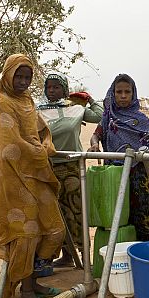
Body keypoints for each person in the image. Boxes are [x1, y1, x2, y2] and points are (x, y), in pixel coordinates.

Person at [0, 54, 65, 298]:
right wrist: (38, 153)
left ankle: (34, 281)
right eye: (18, 76)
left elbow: (42, 131)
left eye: (27, 77)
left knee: (53, 228)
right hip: (15, 178)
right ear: (7, 76)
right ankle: (27, 291)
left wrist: (44, 145)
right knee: (26, 233)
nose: (22, 81)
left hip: (37, 174)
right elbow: (10, 146)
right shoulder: (4, 104)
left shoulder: (28, 101)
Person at [89, 73, 149, 241]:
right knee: (120, 215)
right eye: (119, 92)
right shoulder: (108, 117)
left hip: (141, 176)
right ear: (113, 93)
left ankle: (148, 248)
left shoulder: (141, 118)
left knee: (145, 213)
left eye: (128, 92)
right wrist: (95, 144)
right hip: (116, 174)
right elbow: (96, 134)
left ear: (133, 94)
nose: (123, 96)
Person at [38, 73, 103, 268]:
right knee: (54, 214)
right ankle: (65, 256)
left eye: (57, 87)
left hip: (73, 167)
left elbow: (99, 115)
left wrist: (89, 98)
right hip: (47, 168)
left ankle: (84, 259)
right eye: (49, 87)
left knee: (76, 212)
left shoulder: (76, 109)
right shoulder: (37, 112)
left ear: (65, 90)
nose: (52, 91)